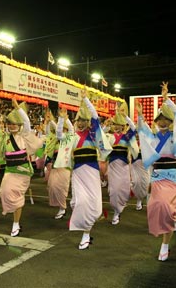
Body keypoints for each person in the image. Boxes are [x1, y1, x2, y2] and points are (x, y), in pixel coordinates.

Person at [136, 81, 176, 261]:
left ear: (171, 122)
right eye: (160, 120)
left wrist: (166, 99)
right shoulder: (153, 136)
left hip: (172, 178)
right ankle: (171, 223)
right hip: (157, 178)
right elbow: (143, 129)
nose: (163, 123)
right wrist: (140, 116)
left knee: (165, 206)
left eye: (166, 120)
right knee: (156, 207)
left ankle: (165, 244)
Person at [0, 99, 43, 237]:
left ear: (19, 124)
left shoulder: (25, 135)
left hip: (23, 172)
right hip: (10, 171)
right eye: (9, 123)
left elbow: (27, 123)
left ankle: (16, 223)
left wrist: (18, 109)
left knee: (16, 194)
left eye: (14, 123)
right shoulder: (5, 137)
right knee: (5, 192)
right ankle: (15, 217)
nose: (11, 126)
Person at [68, 88, 112, 249]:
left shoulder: (93, 135)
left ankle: (86, 234)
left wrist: (86, 99)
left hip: (92, 172)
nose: (81, 123)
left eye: (84, 121)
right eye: (79, 120)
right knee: (80, 202)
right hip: (78, 173)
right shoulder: (72, 136)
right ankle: (84, 231)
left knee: (93, 204)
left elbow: (95, 117)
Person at [105, 102, 139, 225]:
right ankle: (116, 209)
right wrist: (105, 125)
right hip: (113, 167)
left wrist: (126, 117)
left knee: (122, 190)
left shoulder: (126, 137)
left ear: (123, 126)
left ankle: (117, 212)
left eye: (120, 125)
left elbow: (134, 128)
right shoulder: (109, 137)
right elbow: (100, 137)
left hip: (124, 167)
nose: (117, 127)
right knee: (113, 191)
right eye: (115, 125)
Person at [47, 107, 75, 219]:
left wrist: (65, 119)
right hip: (55, 166)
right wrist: (56, 121)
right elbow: (56, 132)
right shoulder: (56, 139)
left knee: (62, 188)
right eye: (62, 128)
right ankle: (60, 205)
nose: (63, 130)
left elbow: (71, 130)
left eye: (65, 129)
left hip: (65, 167)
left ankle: (62, 207)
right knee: (52, 186)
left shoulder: (69, 139)